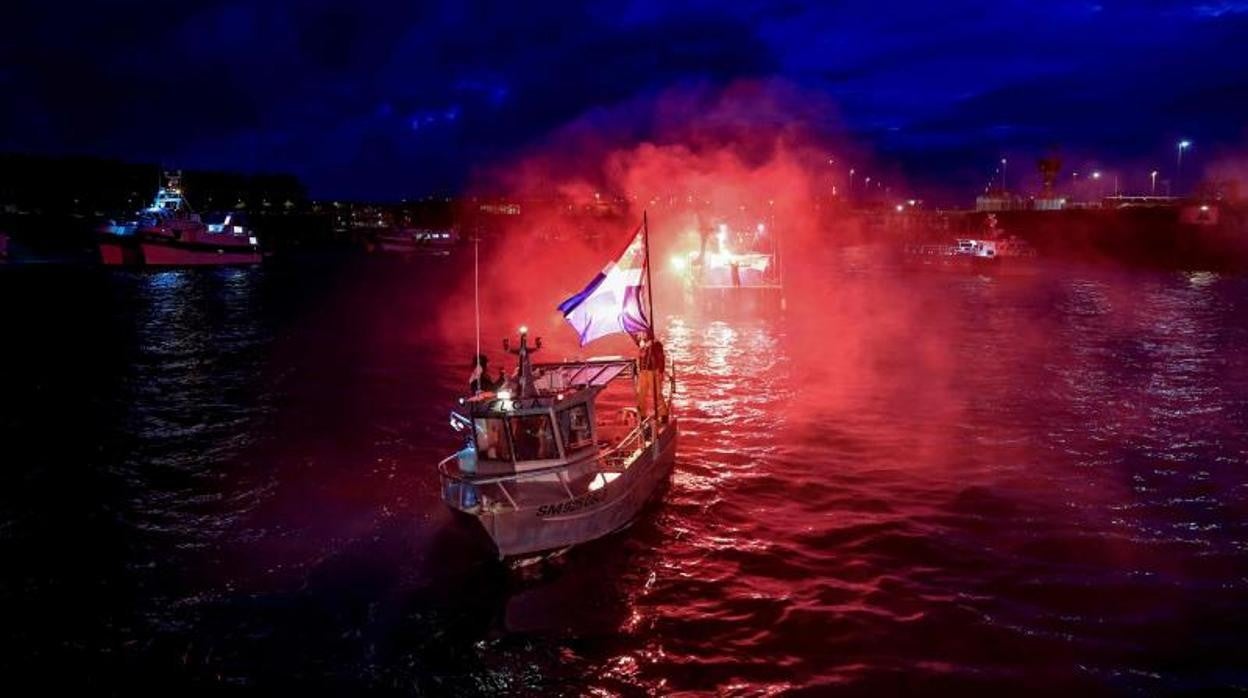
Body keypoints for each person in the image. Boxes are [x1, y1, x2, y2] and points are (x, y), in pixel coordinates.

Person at [636, 334, 669, 424]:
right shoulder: (641, 343)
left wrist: (661, 371)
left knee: (656, 394)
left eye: (643, 332)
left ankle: (663, 414)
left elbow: (661, 358)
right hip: (643, 371)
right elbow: (640, 357)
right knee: (641, 393)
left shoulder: (656, 344)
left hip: (653, 371)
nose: (641, 334)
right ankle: (642, 415)